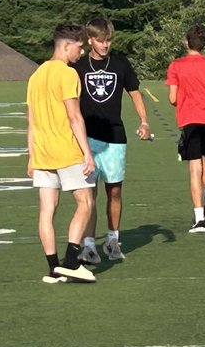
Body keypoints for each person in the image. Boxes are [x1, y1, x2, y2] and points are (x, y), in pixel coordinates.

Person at [74, 16, 149, 264]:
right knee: (89, 194)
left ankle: (112, 239)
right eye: (101, 41)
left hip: (115, 136)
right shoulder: (78, 67)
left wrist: (144, 120)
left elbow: (135, 93)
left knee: (114, 190)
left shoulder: (120, 63)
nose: (106, 45)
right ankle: (88, 245)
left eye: (109, 41)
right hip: (87, 138)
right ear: (90, 39)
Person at [26, 23, 97, 284]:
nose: (81, 52)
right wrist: (87, 152)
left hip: (43, 154)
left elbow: (30, 121)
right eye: (79, 47)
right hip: (66, 151)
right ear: (66, 46)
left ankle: (53, 268)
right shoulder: (67, 74)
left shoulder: (36, 76)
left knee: (47, 210)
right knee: (86, 203)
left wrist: (31, 155)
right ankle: (70, 262)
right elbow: (74, 116)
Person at [167, 25, 205, 233]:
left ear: (186, 42)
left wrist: (181, 98)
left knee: (194, 168)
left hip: (189, 119)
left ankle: (199, 218)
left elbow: (172, 98)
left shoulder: (176, 65)